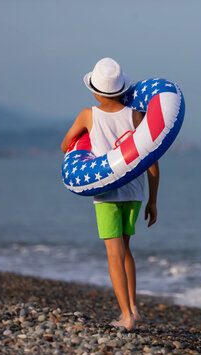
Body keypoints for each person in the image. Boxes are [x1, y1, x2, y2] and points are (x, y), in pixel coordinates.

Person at [61, 58, 159, 329]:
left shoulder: (88, 115)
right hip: (135, 191)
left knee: (113, 253)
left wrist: (84, 142)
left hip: (106, 193)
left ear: (95, 90)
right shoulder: (135, 115)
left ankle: (126, 317)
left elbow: (65, 145)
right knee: (126, 249)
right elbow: (152, 159)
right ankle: (134, 309)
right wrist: (153, 200)